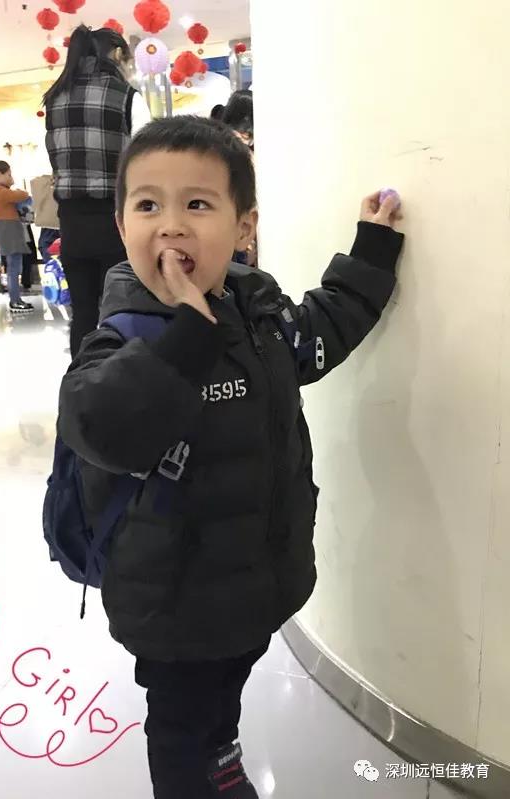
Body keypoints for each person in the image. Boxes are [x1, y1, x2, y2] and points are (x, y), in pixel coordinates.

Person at [57, 116, 404, 798]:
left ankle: (222, 754)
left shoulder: (260, 315)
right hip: (173, 606)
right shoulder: (123, 335)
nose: (171, 225)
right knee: (181, 722)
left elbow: (321, 330)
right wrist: (188, 335)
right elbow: (99, 422)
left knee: (224, 693)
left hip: (254, 584)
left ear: (244, 227)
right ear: (122, 226)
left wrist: (371, 249)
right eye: (148, 205)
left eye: (197, 203)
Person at [44, 24, 151, 357]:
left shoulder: (55, 98)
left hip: (72, 224)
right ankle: (122, 381)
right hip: (116, 221)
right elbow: (147, 162)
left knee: (83, 313)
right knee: (120, 311)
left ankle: (82, 381)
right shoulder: (126, 97)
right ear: (117, 54)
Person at [0, 161, 34, 313]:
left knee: (14, 266)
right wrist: (21, 190)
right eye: (8, 175)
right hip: (9, 231)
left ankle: (16, 299)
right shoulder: (0, 191)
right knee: (14, 267)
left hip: (9, 231)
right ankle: (15, 301)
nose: (11, 178)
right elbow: (22, 195)